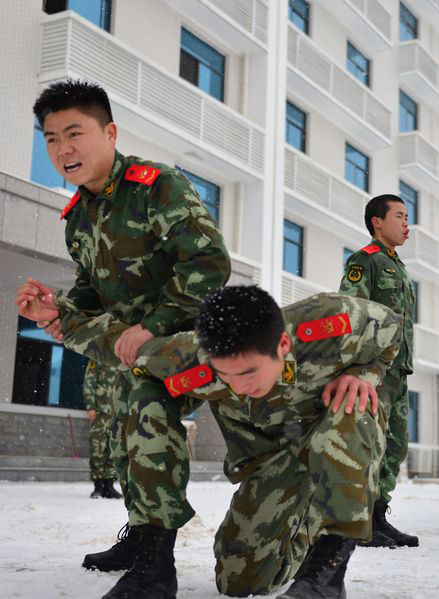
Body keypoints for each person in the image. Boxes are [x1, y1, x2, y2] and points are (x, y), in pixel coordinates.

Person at [15, 79, 231, 599]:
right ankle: (139, 536)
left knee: (148, 415)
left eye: (74, 133)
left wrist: (152, 325)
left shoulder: (158, 187)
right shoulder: (77, 218)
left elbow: (210, 264)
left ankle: (158, 565)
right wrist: (57, 308)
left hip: (184, 340)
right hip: (127, 350)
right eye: (49, 138)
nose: (62, 149)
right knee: (124, 439)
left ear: (110, 132)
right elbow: (92, 294)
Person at [56, 285, 402, 598]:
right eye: (227, 375)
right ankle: (309, 528)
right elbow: (121, 347)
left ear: (282, 346)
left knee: (354, 406)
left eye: (250, 372)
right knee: (239, 581)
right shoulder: (192, 358)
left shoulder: (329, 325)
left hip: (331, 436)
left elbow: (392, 330)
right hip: (273, 463)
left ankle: (326, 573)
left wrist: (362, 375)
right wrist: (59, 314)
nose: (239, 387)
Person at [339, 194, 418, 548]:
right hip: (375, 372)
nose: (406, 224)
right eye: (399, 216)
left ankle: (377, 516)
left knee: (394, 446)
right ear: (377, 222)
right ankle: (360, 520)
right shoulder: (364, 261)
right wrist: (358, 368)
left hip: (398, 373)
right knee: (370, 444)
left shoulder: (398, 267)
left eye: (407, 217)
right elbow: (351, 314)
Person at [83, 360, 125, 499]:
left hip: (118, 412)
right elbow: (89, 379)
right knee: (98, 448)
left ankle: (109, 485)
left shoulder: (123, 356)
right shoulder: (99, 354)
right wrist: (90, 405)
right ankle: (98, 486)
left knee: (114, 450)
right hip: (101, 411)